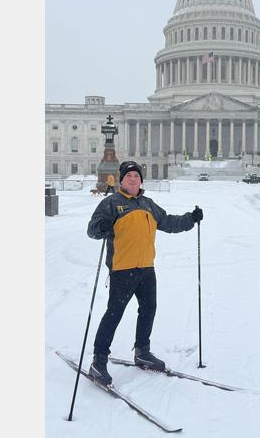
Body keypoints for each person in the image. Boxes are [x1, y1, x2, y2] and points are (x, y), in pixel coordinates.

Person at [85, 160, 203, 385]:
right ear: (121, 180)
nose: (133, 179)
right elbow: (92, 229)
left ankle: (142, 351)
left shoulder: (148, 204)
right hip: (122, 269)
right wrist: (100, 228)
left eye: (136, 176)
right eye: (128, 176)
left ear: (141, 180)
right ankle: (99, 361)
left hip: (146, 268)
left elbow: (168, 222)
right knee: (114, 314)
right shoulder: (112, 203)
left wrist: (190, 219)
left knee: (148, 309)